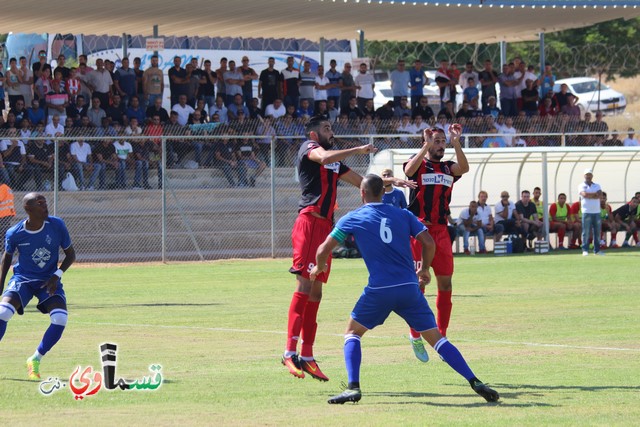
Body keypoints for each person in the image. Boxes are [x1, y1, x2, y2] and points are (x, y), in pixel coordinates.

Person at [309, 174, 499, 404]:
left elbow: (322, 250)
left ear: (362, 193)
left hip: (379, 289)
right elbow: (428, 242)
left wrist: (319, 268)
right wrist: (425, 270)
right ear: (382, 192)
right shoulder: (404, 214)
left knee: (352, 333)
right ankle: (475, 381)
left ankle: (353, 387)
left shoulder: (353, 217)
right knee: (437, 339)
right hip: (409, 287)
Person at [282, 117, 413, 382]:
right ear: (313, 133)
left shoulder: (335, 163)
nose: (331, 132)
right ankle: (288, 353)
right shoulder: (310, 148)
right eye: (326, 129)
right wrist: (357, 150)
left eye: (331, 128)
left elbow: (363, 183)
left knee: (316, 291)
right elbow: (322, 157)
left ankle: (307, 356)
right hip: (309, 222)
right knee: (304, 288)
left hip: (324, 227)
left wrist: (392, 183)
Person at [403, 125, 469, 360]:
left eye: (442, 141)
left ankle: (441, 337)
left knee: (446, 284)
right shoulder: (419, 162)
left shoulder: (449, 167)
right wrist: (425, 145)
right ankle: (415, 334)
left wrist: (456, 141)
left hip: (441, 231)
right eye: (436, 141)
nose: (440, 145)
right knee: (418, 284)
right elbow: (409, 171)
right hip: (419, 230)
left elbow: (464, 167)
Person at [0, 193, 76, 380]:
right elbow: (6, 258)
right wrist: (0, 285)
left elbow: (71, 255)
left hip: (48, 280)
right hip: (23, 279)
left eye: (45, 202)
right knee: (2, 313)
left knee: (60, 319)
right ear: (28, 209)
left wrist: (56, 276)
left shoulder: (57, 225)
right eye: (39, 203)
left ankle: (35, 358)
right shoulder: (14, 233)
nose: (45, 206)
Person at [578, 168, 603, 256]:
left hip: (596, 211)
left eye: (590, 174)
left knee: (597, 232)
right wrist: (594, 195)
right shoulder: (581, 185)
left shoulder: (597, 185)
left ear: (592, 176)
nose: (588, 176)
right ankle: (585, 250)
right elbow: (584, 195)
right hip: (586, 211)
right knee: (586, 231)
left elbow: (600, 195)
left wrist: (590, 195)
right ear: (584, 176)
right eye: (587, 174)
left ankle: (597, 250)